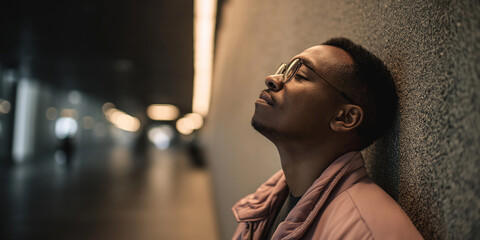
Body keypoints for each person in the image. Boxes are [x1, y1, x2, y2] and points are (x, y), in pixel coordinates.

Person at [231, 37, 422, 239]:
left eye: (301, 76)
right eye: (285, 70)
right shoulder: (263, 206)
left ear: (345, 118)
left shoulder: (369, 230)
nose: (273, 79)